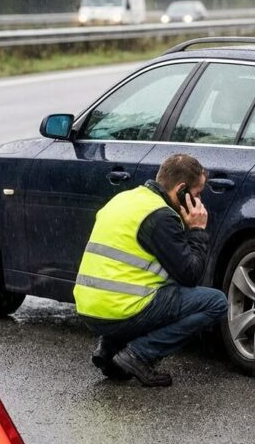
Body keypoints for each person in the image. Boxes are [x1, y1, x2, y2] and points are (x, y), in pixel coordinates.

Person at [74, 153, 228, 387]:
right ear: (182, 190)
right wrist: (197, 230)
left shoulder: (124, 199)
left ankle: (108, 350)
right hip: (120, 311)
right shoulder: (160, 216)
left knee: (158, 282)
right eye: (197, 194)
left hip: (89, 308)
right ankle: (139, 355)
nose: (199, 201)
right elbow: (190, 275)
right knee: (216, 302)